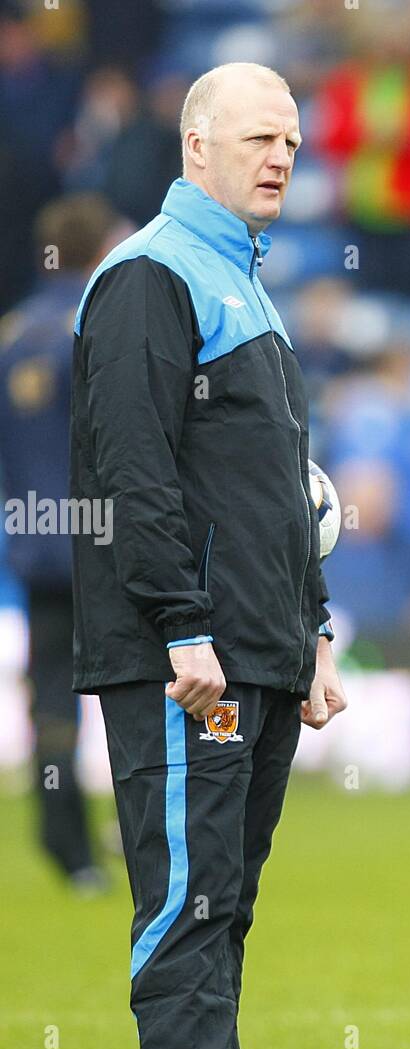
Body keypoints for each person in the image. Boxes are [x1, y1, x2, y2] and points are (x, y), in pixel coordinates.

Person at [70, 62, 347, 1049]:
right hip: (191, 659)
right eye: (255, 138)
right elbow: (136, 473)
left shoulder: (247, 284)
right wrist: (182, 624)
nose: (278, 156)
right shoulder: (148, 277)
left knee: (217, 903)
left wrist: (315, 631)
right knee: (187, 901)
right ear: (196, 148)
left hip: (262, 651)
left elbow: (281, 488)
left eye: (289, 139)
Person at [0, 193, 122, 893]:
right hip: (102, 539)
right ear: (99, 247)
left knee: (51, 701)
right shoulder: (96, 323)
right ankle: (149, 832)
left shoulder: (14, 331)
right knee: (148, 682)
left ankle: (68, 849)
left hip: (36, 546)